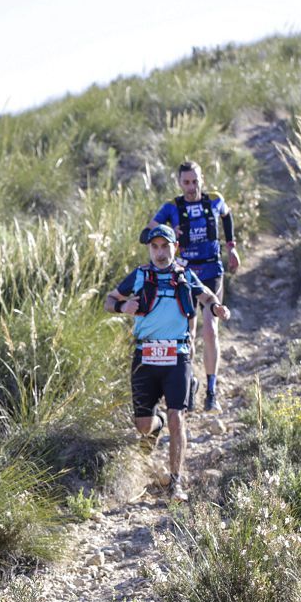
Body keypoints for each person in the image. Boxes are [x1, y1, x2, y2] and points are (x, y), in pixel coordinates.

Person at [105, 225, 231, 502]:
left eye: (165, 246)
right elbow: (109, 299)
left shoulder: (185, 275)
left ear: (175, 247)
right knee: (142, 425)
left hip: (177, 356)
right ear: (149, 249)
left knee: (178, 418)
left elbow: (207, 296)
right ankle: (156, 424)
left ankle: (176, 481)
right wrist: (121, 307)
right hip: (145, 357)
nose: (160, 253)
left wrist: (216, 307)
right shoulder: (139, 275)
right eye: (155, 247)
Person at [142, 161, 239, 413]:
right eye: (186, 182)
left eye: (195, 181)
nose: (191, 187)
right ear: (179, 182)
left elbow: (227, 217)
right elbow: (146, 233)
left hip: (212, 270)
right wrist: (168, 232)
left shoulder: (215, 200)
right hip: (184, 274)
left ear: (201, 179)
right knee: (189, 333)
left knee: (211, 330)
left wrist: (232, 247)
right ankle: (191, 382)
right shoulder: (172, 207)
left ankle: (211, 390)